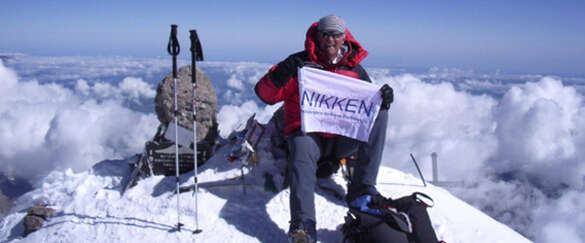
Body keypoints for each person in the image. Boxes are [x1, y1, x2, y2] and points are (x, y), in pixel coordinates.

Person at [254, 15, 394, 242]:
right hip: (308, 135)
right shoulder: (299, 65)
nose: (331, 39)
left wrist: (383, 99)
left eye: (336, 35)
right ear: (318, 37)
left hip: (341, 139)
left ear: (343, 38)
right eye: (326, 34)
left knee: (381, 113)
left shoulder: (354, 70)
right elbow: (265, 95)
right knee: (302, 147)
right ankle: (303, 223)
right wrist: (279, 75)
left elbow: (367, 103)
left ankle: (363, 190)